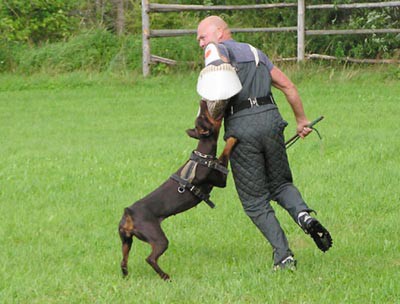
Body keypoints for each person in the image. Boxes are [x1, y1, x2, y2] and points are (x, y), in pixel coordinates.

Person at [196, 16, 332, 271]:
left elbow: (218, 89)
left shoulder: (218, 50)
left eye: (202, 37)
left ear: (219, 32)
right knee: (281, 184)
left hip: (242, 128)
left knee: (255, 200)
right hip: (272, 121)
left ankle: (284, 256)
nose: (201, 43)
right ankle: (304, 216)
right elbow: (288, 87)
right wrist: (301, 120)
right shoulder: (255, 53)